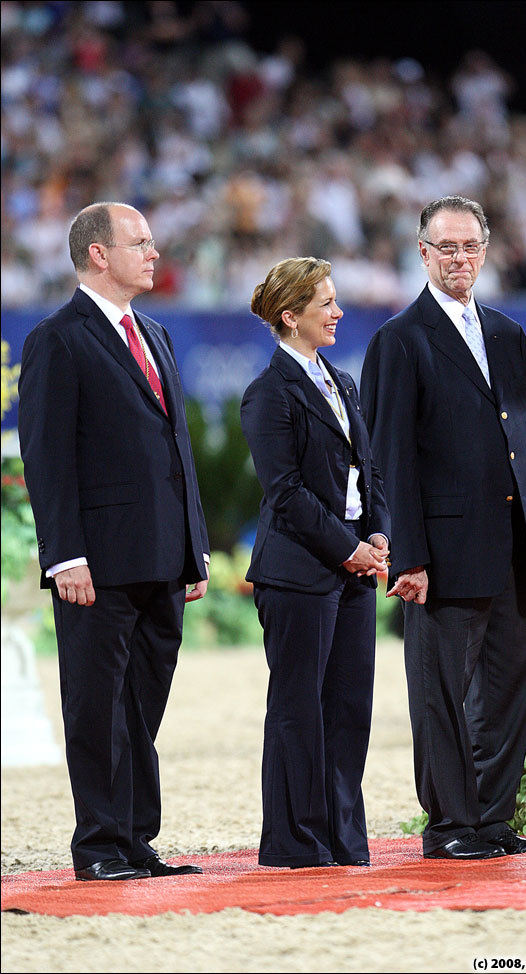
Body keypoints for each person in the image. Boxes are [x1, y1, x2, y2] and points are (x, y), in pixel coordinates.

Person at [18, 202, 210, 881]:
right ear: (98, 254)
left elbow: (175, 448)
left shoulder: (154, 332)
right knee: (96, 706)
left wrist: (196, 546)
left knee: (142, 708)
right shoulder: (57, 339)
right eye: (141, 242)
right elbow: (46, 456)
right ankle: (98, 846)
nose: (155, 253)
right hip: (96, 561)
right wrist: (64, 553)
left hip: (163, 557)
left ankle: (135, 841)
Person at [361, 196, 526, 860]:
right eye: (446, 248)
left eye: (470, 246)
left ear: (485, 249)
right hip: (439, 556)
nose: (460, 259)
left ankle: (493, 820)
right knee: (442, 696)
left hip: (510, 549)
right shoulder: (399, 340)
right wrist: (407, 554)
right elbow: (389, 460)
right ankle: (449, 826)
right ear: (422, 253)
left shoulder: (507, 333)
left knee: (508, 692)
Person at [240, 257, 391, 868]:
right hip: (299, 571)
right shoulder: (267, 393)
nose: (338, 311)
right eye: (325, 303)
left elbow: (368, 470)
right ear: (290, 315)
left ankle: (342, 840)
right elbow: (286, 493)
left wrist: (377, 534)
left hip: (352, 564)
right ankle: (294, 844)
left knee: (350, 709)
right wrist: (348, 547)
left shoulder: (341, 381)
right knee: (300, 710)